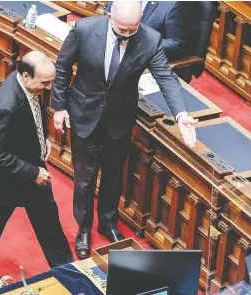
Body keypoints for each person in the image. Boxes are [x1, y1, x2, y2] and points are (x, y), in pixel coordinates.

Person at [52, 1, 197, 260]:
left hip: (119, 118)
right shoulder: (84, 29)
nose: (128, 34)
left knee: (113, 177)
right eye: (122, 28)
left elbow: (165, 77)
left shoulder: (150, 39)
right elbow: (62, 67)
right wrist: (60, 106)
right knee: (85, 181)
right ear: (109, 17)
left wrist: (182, 115)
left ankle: (107, 223)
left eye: (133, 28)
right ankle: (83, 230)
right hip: (84, 114)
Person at [0, 51, 74, 282]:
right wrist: (33, 172)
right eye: (44, 83)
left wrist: (42, 138)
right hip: (3, 179)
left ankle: (67, 271)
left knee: (49, 222)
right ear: (25, 77)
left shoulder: (32, 84)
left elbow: (33, 116)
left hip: (31, 167)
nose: (48, 88)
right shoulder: (7, 106)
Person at [104, 1, 187, 60]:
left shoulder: (173, 4)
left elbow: (176, 43)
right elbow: (107, 19)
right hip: (110, 50)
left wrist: (144, 45)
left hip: (142, 60)